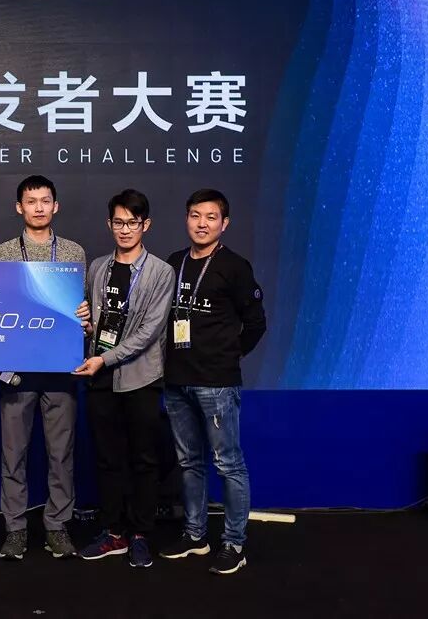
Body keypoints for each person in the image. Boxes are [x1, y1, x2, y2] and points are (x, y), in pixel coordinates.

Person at [160, 188, 266, 575]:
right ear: (186, 218)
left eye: (210, 217)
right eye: (195, 215)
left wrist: (227, 356)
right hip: (176, 380)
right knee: (189, 462)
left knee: (228, 464)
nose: (202, 224)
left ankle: (234, 543)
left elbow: (256, 323)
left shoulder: (234, 267)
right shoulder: (174, 262)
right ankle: (195, 535)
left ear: (224, 223)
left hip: (216, 382)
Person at [73, 189, 175, 569]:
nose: (125, 229)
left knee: (144, 459)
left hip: (141, 378)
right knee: (107, 459)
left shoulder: (161, 272)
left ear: (146, 225)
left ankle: (141, 534)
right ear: (109, 224)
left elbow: (149, 332)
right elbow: (93, 324)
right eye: (119, 222)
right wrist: (85, 327)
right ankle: (114, 531)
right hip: (100, 378)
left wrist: (105, 358)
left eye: (133, 222)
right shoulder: (98, 268)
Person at [0, 175, 88, 560]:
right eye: (31, 202)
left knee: (61, 454)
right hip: (16, 371)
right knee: (13, 454)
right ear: (20, 207)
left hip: (62, 369)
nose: (39, 208)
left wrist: (86, 317)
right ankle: (15, 529)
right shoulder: (2, 253)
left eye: (45, 201)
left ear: (55, 206)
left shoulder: (73, 252)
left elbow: (81, 309)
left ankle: (57, 526)